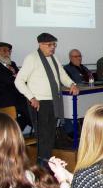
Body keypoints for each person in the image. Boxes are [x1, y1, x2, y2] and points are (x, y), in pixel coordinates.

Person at [15, 33, 78, 164]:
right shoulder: (32, 58)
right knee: (43, 137)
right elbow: (19, 81)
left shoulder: (54, 58)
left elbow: (62, 75)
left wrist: (72, 84)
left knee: (50, 136)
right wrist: (31, 97)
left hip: (53, 102)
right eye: (50, 45)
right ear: (40, 45)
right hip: (39, 103)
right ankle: (41, 168)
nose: (53, 48)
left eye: (54, 44)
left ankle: (47, 164)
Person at [0, 42, 30, 130]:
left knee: (35, 107)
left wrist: (17, 78)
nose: (7, 53)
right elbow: (10, 81)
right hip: (4, 100)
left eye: (9, 51)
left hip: (17, 98)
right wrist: (17, 78)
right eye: (4, 50)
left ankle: (15, 131)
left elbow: (21, 79)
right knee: (31, 110)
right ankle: (14, 132)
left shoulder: (12, 64)